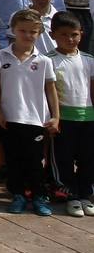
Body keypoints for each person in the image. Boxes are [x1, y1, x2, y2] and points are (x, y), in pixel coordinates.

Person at [0, 9, 59, 217]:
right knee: (13, 160)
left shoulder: (44, 61)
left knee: (35, 161)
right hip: (10, 118)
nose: (28, 35)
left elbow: (50, 89)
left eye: (33, 32)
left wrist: (55, 116)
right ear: (13, 30)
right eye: (23, 31)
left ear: (39, 33)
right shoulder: (1, 56)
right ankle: (18, 195)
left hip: (35, 119)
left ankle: (39, 196)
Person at [48, 12, 94, 215]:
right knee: (63, 159)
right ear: (53, 34)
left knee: (88, 158)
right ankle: (70, 195)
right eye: (64, 34)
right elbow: (48, 92)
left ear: (81, 34)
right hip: (64, 118)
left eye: (74, 34)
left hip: (88, 117)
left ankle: (85, 194)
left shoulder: (89, 60)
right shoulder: (48, 60)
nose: (69, 39)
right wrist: (54, 117)